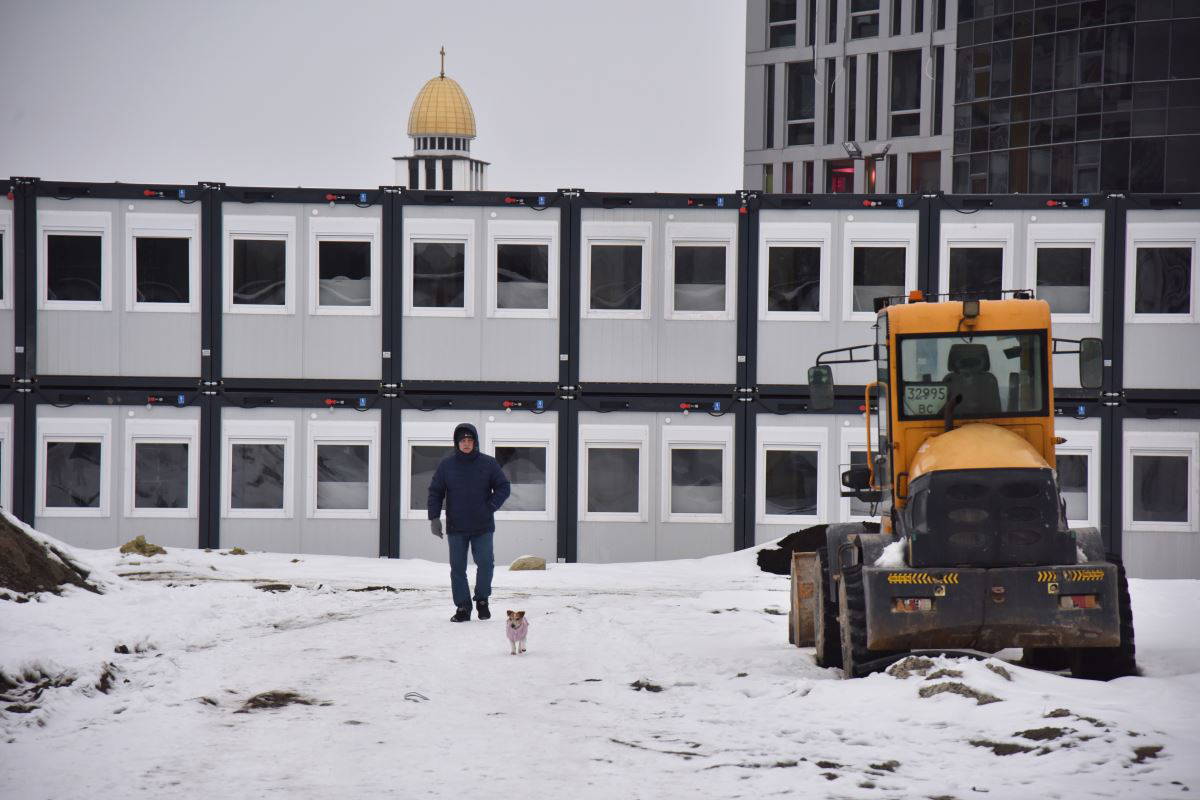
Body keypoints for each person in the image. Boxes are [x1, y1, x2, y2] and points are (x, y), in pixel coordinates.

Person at [428, 423, 511, 622]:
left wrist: (490, 506)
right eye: (462, 440)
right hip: (456, 526)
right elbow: (435, 491)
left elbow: (503, 487)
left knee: (485, 565)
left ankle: (482, 600)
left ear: (475, 442)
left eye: (469, 440)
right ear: (457, 443)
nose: (466, 444)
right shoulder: (447, 466)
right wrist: (434, 518)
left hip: (482, 526)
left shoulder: (488, 464)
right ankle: (463, 607)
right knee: (457, 568)